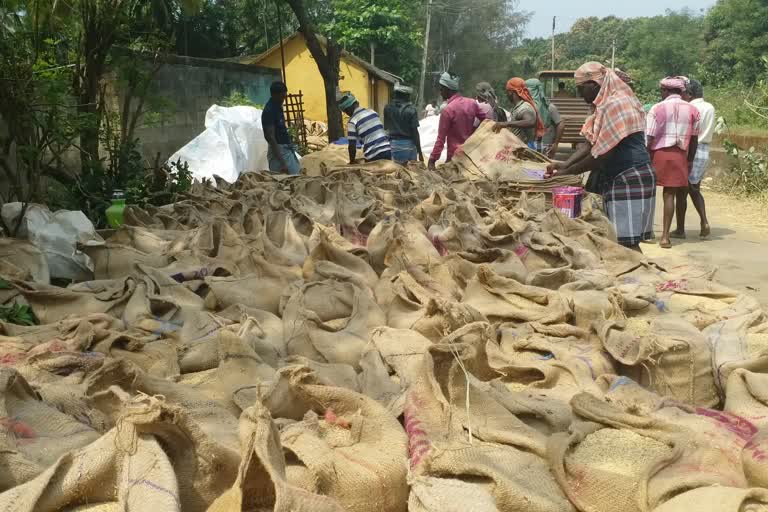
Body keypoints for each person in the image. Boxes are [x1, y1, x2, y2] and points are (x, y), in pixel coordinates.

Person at [544, 62, 655, 250]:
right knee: (613, 240)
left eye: (580, 89)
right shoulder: (603, 104)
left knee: (625, 244)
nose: (579, 95)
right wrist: (564, 165)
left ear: (593, 84)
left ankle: (636, 279)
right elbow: (590, 144)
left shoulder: (616, 104)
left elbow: (603, 154)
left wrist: (568, 172)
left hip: (629, 175)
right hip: (620, 175)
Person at [646, 76, 701, 248]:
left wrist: (646, 157)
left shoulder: (657, 108)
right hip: (681, 154)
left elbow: (649, 136)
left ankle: (654, 233)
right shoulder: (693, 110)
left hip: (659, 153)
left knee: (651, 192)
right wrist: (690, 160)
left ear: (664, 90)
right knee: (674, 193)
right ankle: (673, 232)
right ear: (682, 91)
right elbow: (694, 139)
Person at [428, 72, 488, 169]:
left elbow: (441, 139)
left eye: (441, 88)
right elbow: (486, 121)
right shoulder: (472, 103)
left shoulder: (448, 110)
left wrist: (432, 160)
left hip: (454, 158)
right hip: (469, 155)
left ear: (447, 89)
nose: (440, 91)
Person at [684, 79, 715, 238]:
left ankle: (702, 221)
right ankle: (703, 222)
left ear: (689, 94)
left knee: (689, 189)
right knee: (695, 187)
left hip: (693, 148)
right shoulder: (710, 106)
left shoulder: (691, 108)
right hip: (705, 149)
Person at [338, 92, 391, 164]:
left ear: (348, 110)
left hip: (373, 155)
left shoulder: (353, 121)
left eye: (345, 111)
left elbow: (352, 145)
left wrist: (352, 162)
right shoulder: (372, 112)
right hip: (388, 149)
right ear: (357, 103)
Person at [262, 81, 300, 175]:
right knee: (288, 181)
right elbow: (270, 137)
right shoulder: (269, 110)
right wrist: (282, 162)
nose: (284, 99)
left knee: (296, 178)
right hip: (279, 152)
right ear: (275, 95)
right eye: (282, 96)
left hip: (285, 149)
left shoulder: (277, 107)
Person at [492, 77, 543, 147]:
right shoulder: (518, 107)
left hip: (524, 150)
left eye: (507, 92)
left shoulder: (525, 107)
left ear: (511, 92)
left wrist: (505, 124)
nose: (506, 95)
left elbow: (530, 121)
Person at [384, 84, 423, 164]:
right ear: (407, 96)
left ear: (396, 94)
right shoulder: (411, 110)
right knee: (412, 172)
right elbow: (415, 133)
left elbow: (386, 127)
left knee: (397, 173)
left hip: (394, 146)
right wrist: (420, 152)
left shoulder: (387, 108)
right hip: (410, 146)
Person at [526, 78, 565, 157]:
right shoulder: (526, 107)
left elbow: (561, 124)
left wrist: (555, 144)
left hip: (546, 147)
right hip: (530, 146)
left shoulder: (549, 107)